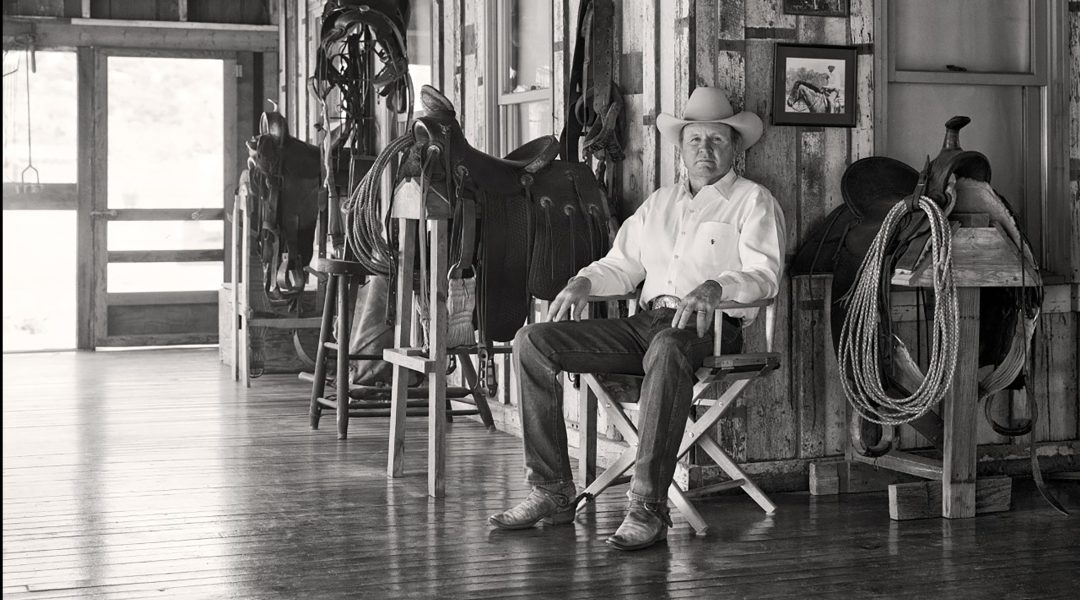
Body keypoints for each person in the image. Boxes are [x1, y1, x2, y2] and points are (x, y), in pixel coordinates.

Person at [488, 87, 786, 551]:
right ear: (681, 147)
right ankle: (552, 491)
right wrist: (584, 282)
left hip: (707, 329)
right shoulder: (660, 204)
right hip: (646, 323)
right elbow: (621, 265)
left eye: (716, 141)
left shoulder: (752, 201)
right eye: (694, 141)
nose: (704, 150)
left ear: (735, 147)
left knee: (669, 346)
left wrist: (716, 286)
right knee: (532, 341)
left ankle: (647, 507)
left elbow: (765, 276)